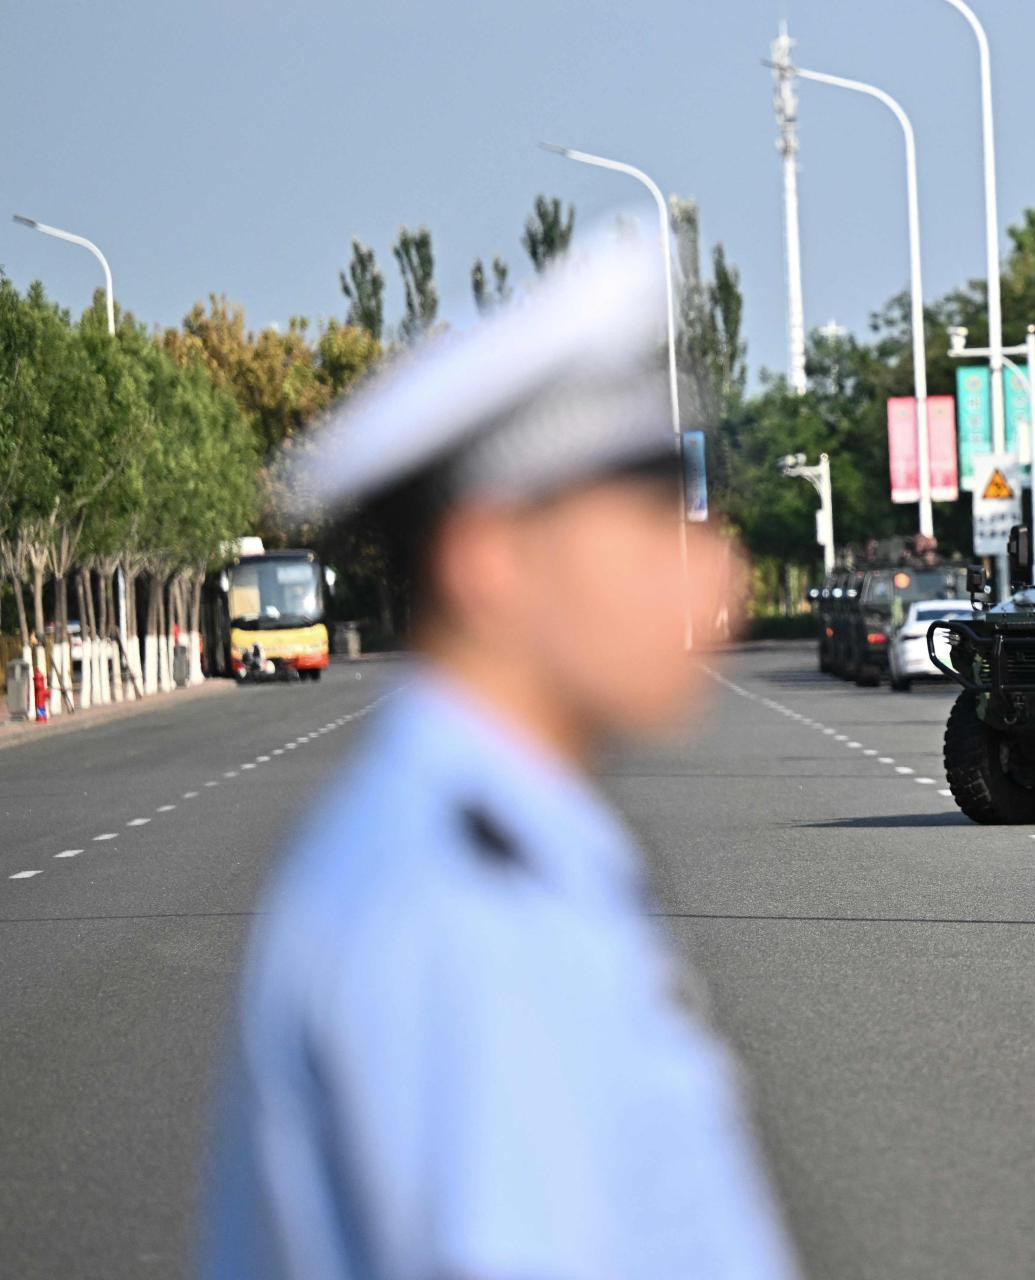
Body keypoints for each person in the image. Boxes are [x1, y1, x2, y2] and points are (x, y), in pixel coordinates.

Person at [202, 228, 796, 1279]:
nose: (715, 578)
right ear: (490, 557)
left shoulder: (476, 837)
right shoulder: (462, 903)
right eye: (651, 528)